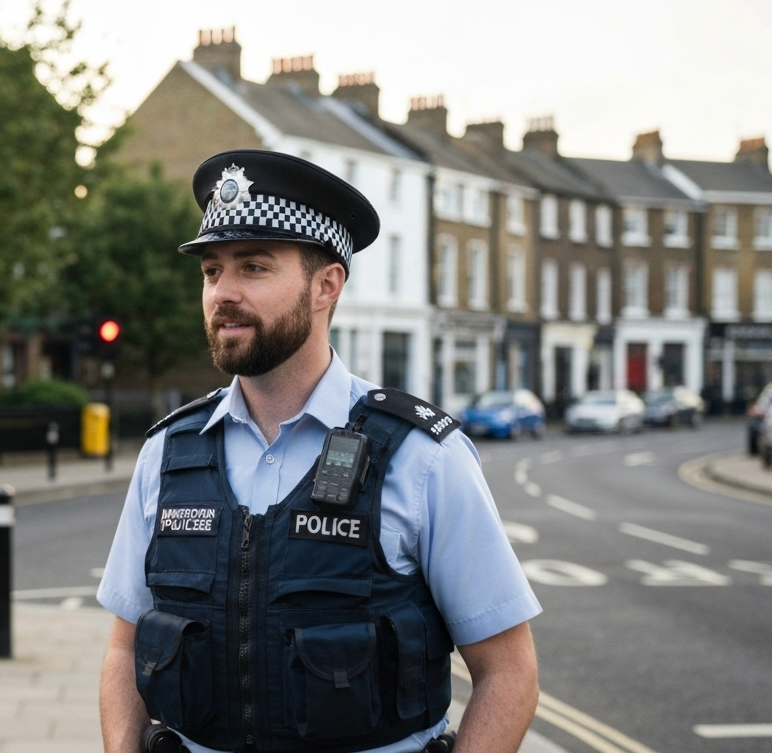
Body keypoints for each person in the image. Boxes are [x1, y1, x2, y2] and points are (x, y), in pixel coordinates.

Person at [97, 150, 541, 753]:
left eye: (253, 267)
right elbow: (124, 648)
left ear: (326, 285)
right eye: (211, 271)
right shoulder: (168, 453)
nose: (222, 292)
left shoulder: (421, 456)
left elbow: (508, 671)